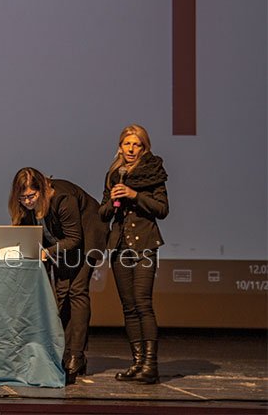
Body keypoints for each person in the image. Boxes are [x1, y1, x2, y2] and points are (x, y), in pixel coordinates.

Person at [8, 167, 107, 384]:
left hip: (86, 240)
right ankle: (66, 350)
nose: (27, 202)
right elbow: (30, 235)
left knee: (77, 291)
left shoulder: (62, 198)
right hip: (61, 246)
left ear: (42, 189)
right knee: (62, 294)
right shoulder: (26, 205)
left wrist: (46, 252)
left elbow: (74, 238)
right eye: (22, 198)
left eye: (31, 196)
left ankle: (76, 355)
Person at [98, 124, 169, 384]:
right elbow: (102, 214)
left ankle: (151, 365)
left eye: (136, 144)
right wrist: (111, 201)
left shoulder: (153, 173)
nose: (131, 148)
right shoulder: (113, 173)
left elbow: (162, 209)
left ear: (143, 147)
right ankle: (138, 363)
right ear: (120, 146)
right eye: (127, 144)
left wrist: (134, 194)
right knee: (128, 308)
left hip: (144, 245)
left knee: (142, 303)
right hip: (119, 246)